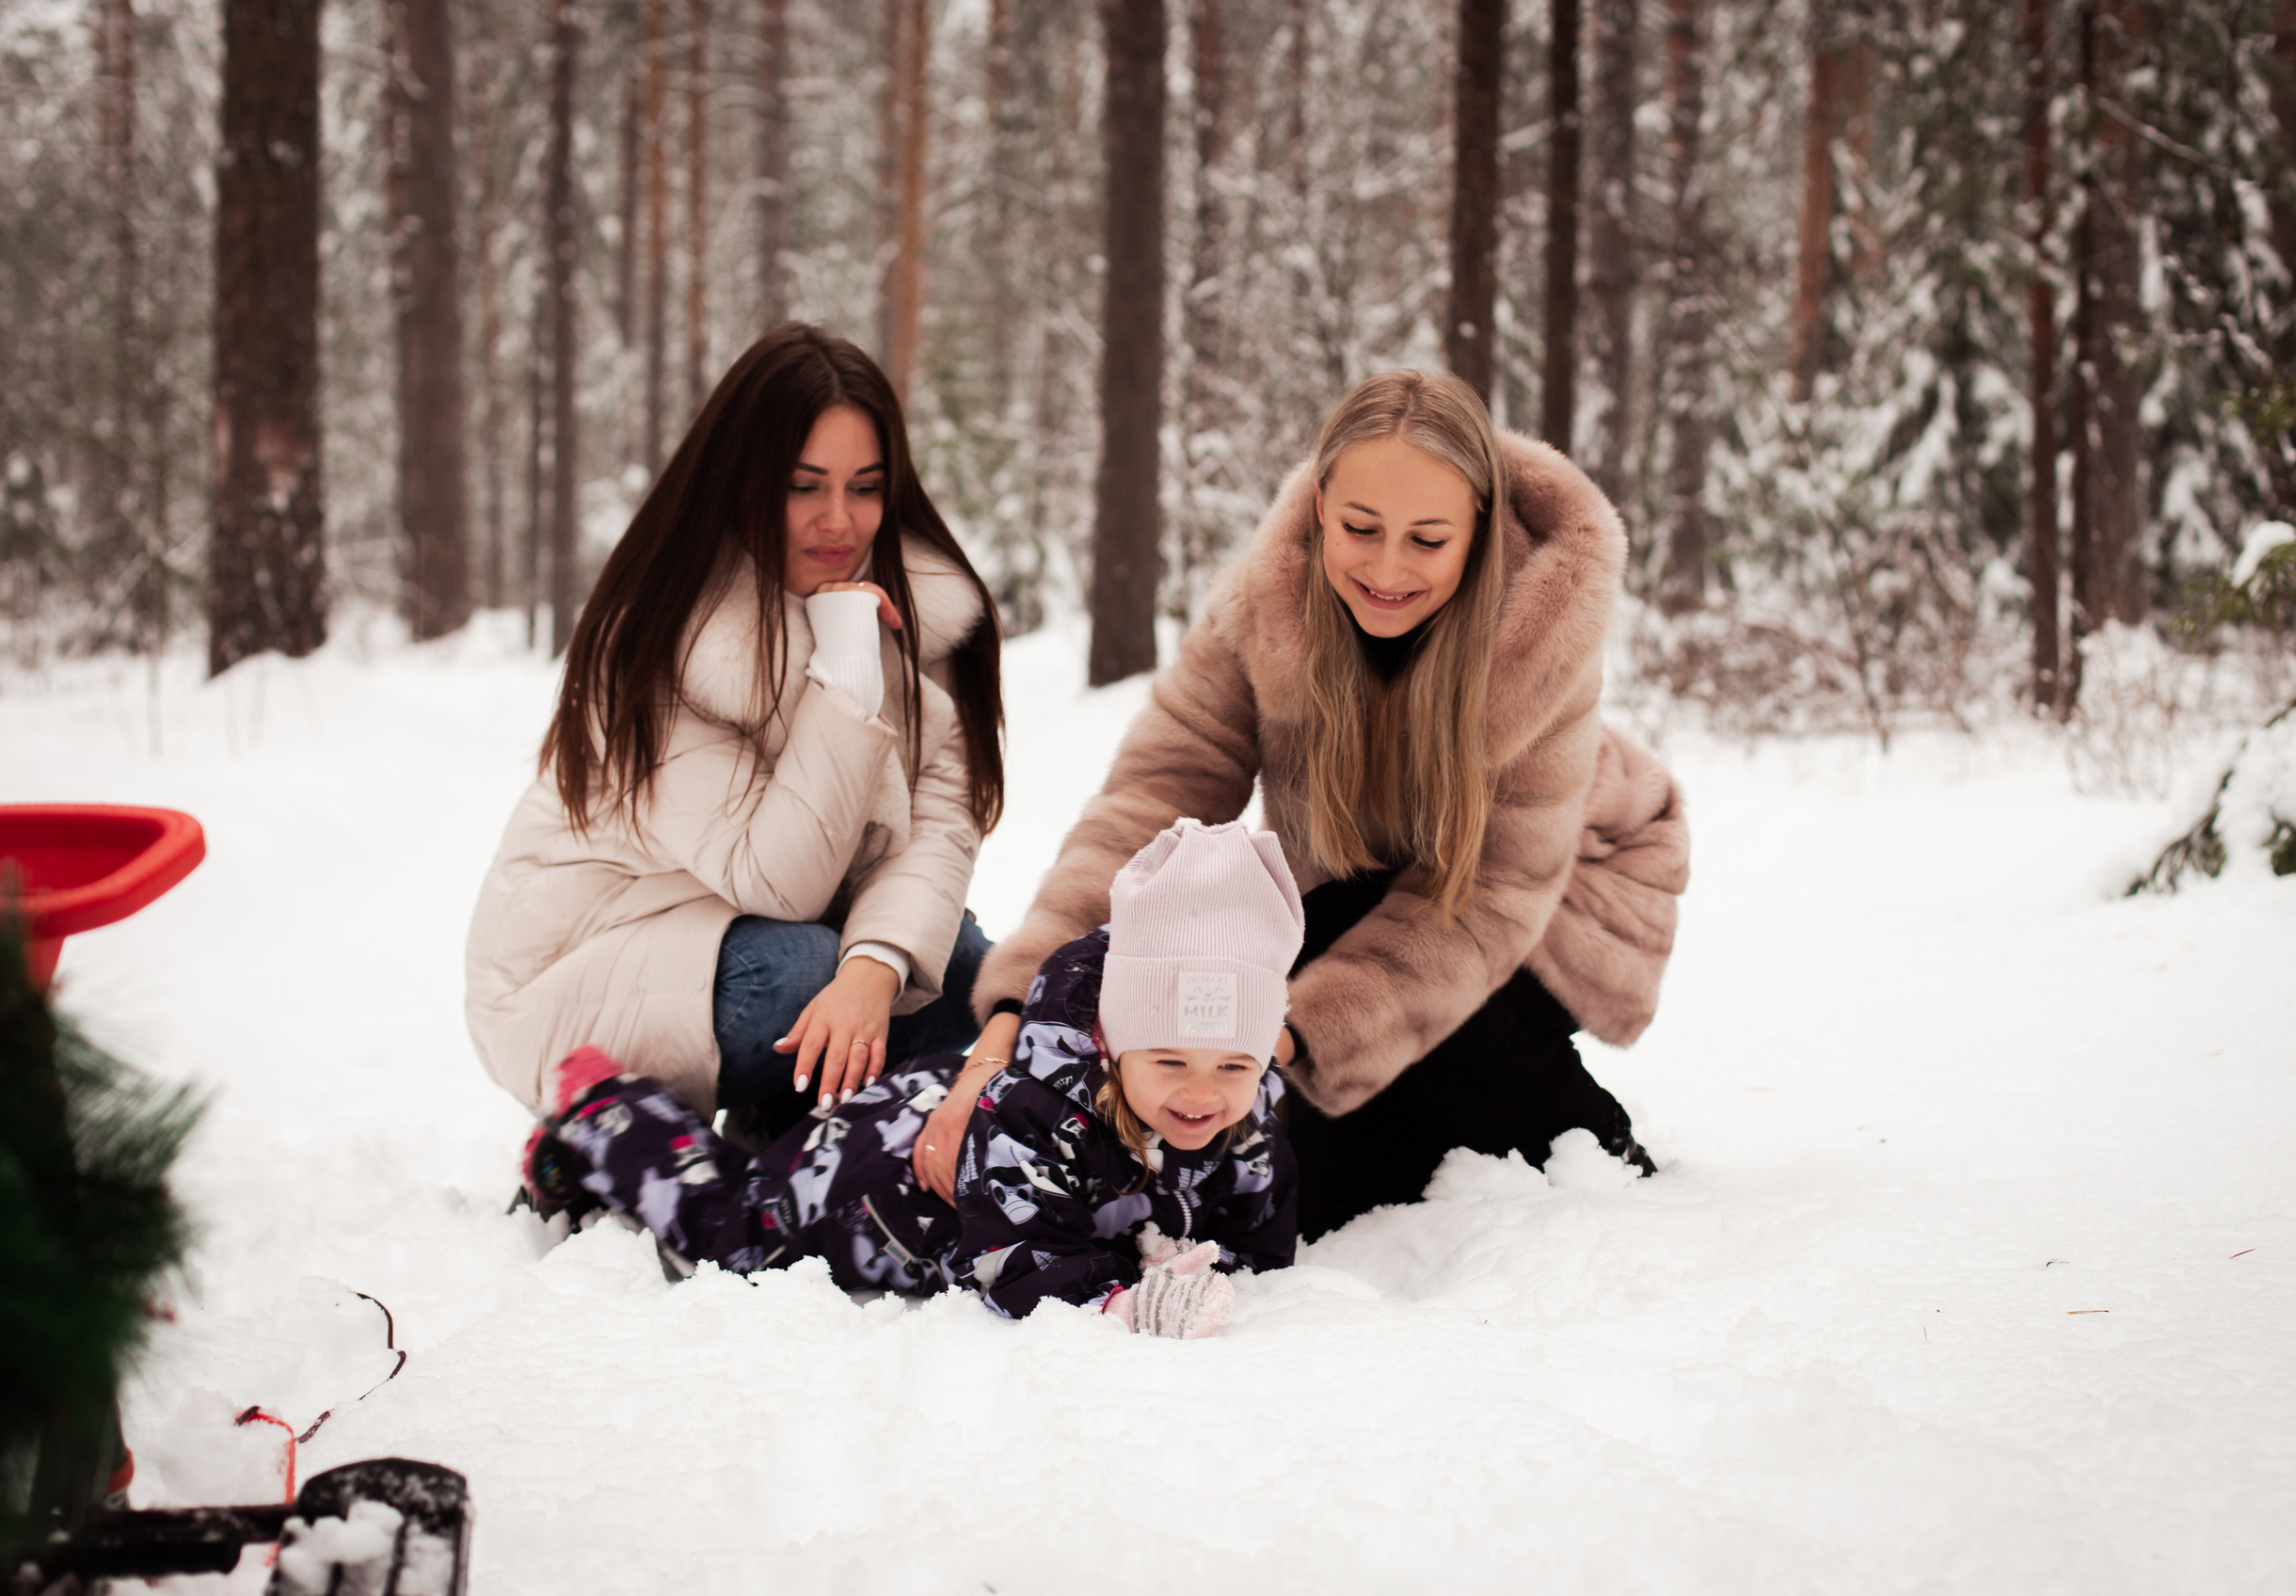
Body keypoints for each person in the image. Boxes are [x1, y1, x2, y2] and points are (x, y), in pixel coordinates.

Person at [953, 369, 1690, 1239]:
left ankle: (1575, 1134)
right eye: (1361, 528)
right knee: (1327, 1188)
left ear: (1479, 533)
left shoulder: (1539, 633)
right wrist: (1019, 1011)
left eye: (1426, 540)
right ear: (1319, 511)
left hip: (1561, 898)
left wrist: (1288, 1031)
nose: (1386, 568)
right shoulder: (1263, 607)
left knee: (1345, 1003)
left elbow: (1490, 900)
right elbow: (1149, 809)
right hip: (1358, 903)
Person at [464, 325, 1019, 1127]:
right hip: (568, 980)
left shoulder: (922, 622)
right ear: (741, 482)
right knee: (797, 972)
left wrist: (875, 966)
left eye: (864, 487)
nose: (840, 521)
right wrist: (848, 670)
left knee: (961, 974)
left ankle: (782, 1133)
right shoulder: (660, 638)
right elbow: (780, 879)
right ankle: (600, 1132)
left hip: (749, 947)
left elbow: (934, 836)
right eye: (804, 486)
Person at [518, 819, 1307, 1339]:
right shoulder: (1044, 1113)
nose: (1203, 1094)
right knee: (730, 1232)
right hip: (871, 1178)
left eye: (1233, 1066)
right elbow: (1017, 1254)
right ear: (1113, 1041)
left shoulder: (1245, 1109)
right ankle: (606, 1112)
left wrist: (1204, 1260)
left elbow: (1255, 1223)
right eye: (1170, 1062)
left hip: (934, 1122)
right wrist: (1123, 1300)